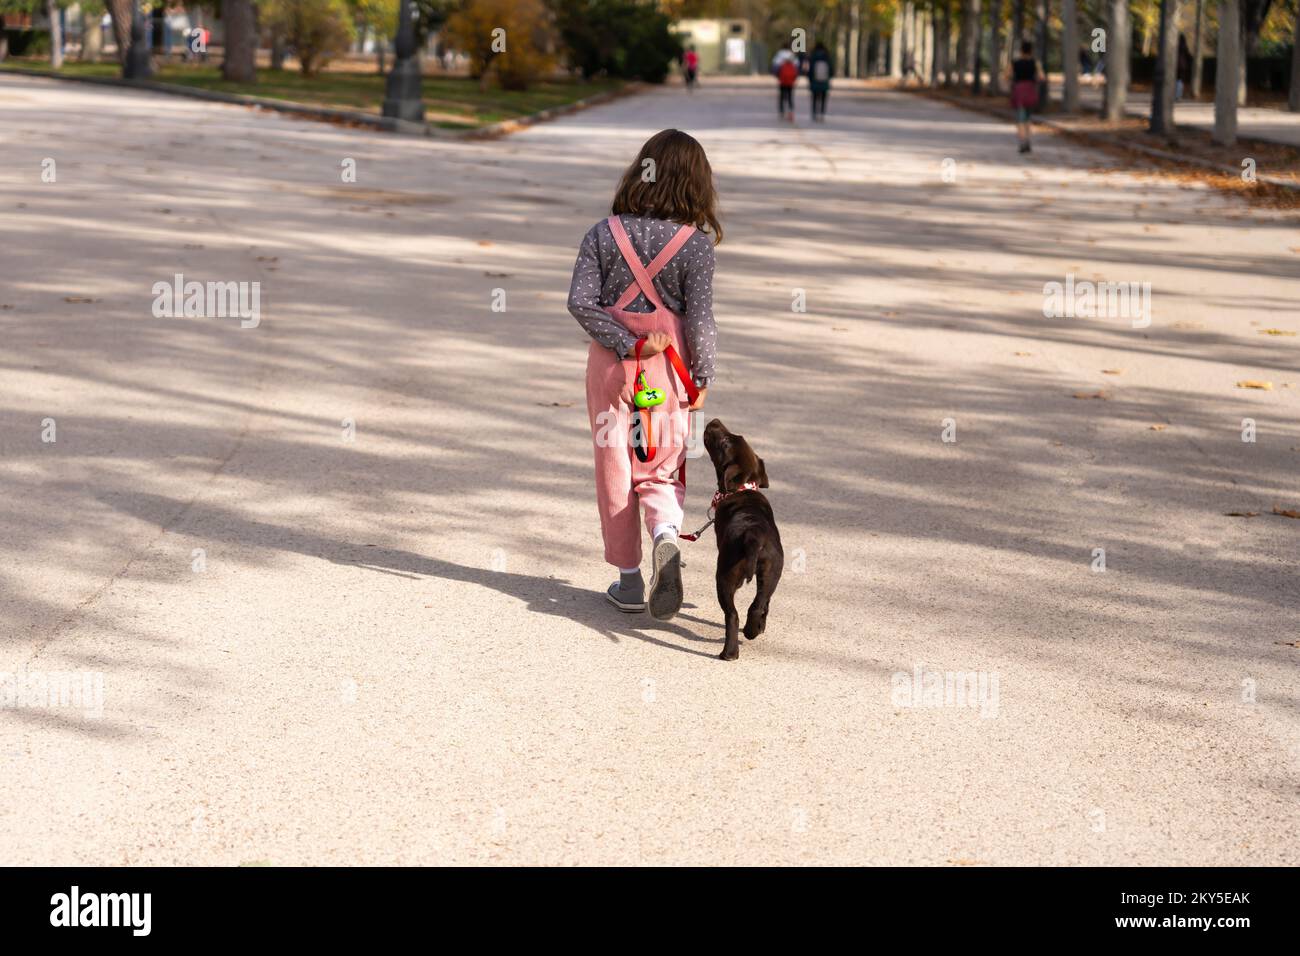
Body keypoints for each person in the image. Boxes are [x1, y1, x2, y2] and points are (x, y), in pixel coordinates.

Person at [567, 130, 721, 619]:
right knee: (661, 465)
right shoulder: (695, 247)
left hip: (612, 369)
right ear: (696, 186)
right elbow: (700, 319)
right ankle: (665, 538)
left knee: (614, 463)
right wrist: (702, 378)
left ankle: (629, 582)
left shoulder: (601, 233)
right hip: (667, 372)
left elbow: (580, 302)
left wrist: (624, 341)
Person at [1007, 40, 1041, 154]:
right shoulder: (1035, 62)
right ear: (1031, 51)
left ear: (1021, 50)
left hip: (1019, 90)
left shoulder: (1014, 62)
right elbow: (1041, 76)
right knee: (1028, 118)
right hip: (1031, 89)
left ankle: (1023, 142)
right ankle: (1028, 140)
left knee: (1020, 119)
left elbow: (1007, 75)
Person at [772, 44, 798, 120]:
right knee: (790, 97)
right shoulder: (792, 55)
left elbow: (775, 67)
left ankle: (781, 111)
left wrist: (778, 77)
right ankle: (791, 112)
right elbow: (796, 68)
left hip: (782, 80)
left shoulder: (779, 54)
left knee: (781, 96)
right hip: (790, 81)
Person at [808, 41, 832, 121]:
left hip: (815, 80)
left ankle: (814, 113)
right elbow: (831, 69)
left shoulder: (813, 56)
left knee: (814, 98)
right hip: (824, 80)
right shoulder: (827, 56)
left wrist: (810, 79)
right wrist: (829, 78)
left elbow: (810, 70)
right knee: (823, 98)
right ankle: (822, 113)